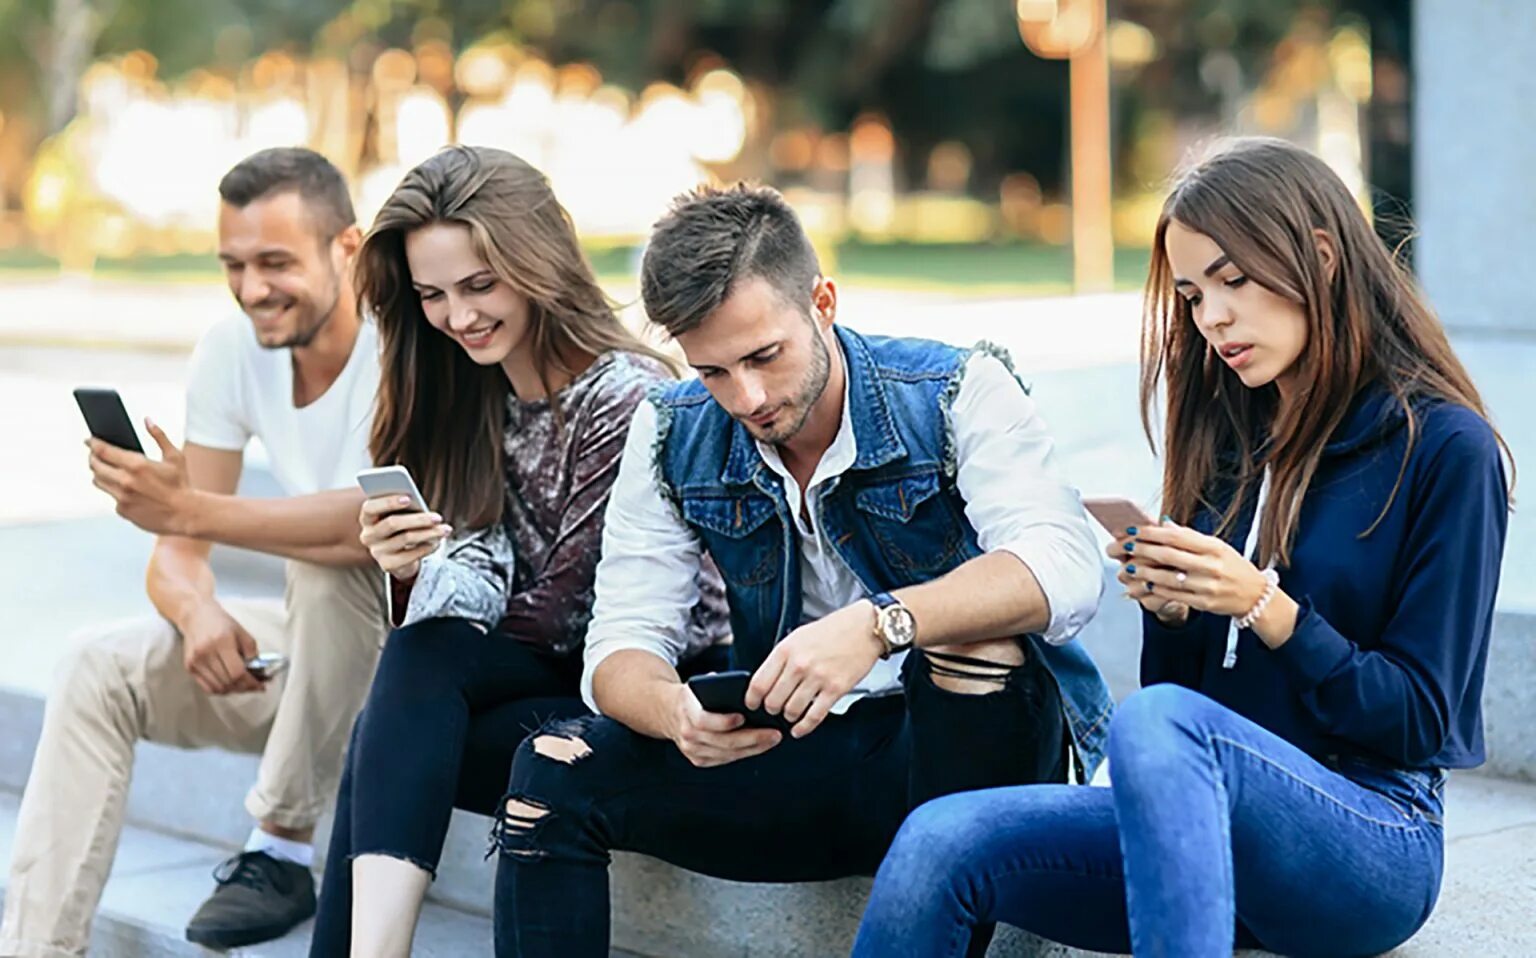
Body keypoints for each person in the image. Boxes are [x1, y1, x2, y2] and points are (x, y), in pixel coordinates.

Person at [851, 137, 1513, 958]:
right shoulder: (1230, 436)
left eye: (1233, 281)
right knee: (941, 840)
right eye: (1195, 295)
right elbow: (1179, 714)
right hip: (1195, 833)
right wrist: (1172, 616)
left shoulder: (1447, 449)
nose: (1213, 319)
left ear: (1321, 257)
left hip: (1368, 835)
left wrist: (1265, 608)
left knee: (1165, 723)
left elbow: (1421, 721)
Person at [488, 182, 1114, 957]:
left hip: (962, 754)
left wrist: (879, 625)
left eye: (763, 356)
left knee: (981, 649)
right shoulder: (672, 429)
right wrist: (673, 715)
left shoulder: (953, 391)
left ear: (822, 301)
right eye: (713, 371)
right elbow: (619, 643)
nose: (745, 396)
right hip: (795, 744)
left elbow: (1063, 568)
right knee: (552, 767)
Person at [306, 145, 730, 957]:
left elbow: (568, 614)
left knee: (412, 682)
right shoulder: (476, 392)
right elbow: (493, 583)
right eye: (432, 295)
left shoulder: (627, 393)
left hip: (647, 693)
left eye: (479, 286)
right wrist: (411, 569)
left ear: (536, 263)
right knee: (407, 687)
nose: (457, 316)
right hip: (540, 674)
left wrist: (434, 594)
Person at [0, 148, 387, 955]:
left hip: (414, 665)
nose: (253, 290)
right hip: (310, 666)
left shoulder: (400, 348)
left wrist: (189, 506)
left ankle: (279, 851)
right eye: (234, 265)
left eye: (276, 262)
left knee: (321, 567)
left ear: (347, 248)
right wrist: (198, 607)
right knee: (94, 664)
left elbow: (368, 526)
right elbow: (179, 551)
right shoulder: (231, 349)